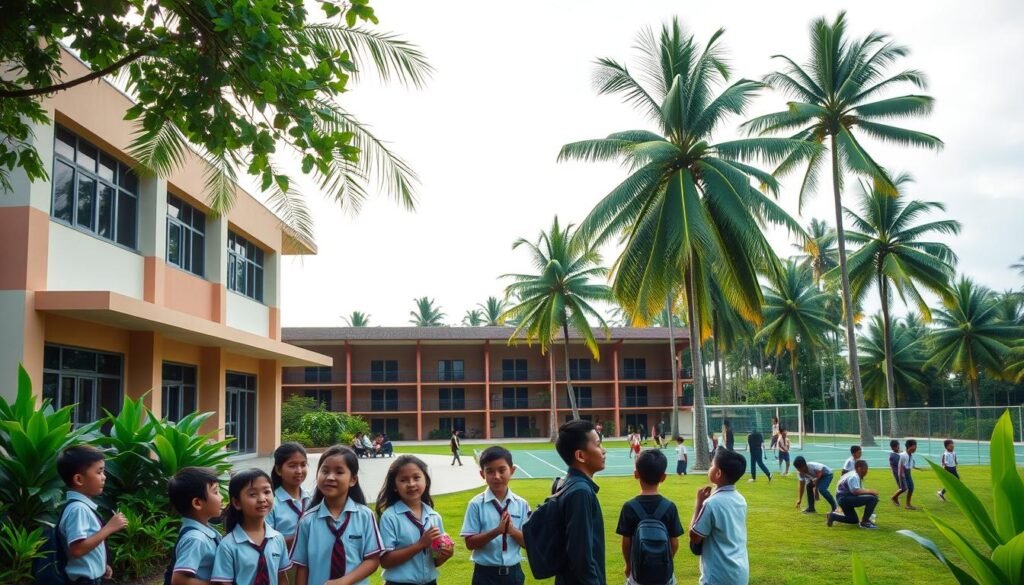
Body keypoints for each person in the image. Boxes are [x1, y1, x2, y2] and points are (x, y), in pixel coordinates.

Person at [292, 445, 382, 585]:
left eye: (339, 472)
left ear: (353, 480)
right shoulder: (307, 521)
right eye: (325, 471)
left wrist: (343, 582)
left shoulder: (365, 516)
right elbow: (302, 567)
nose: (330, 477)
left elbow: (372, 560)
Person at [376, 455, 455, 584]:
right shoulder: (390, 517)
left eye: (416, 478)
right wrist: (420, 545)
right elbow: (385, 561)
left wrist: (446, 554)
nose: (411, 484)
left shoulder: (434, 517)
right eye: (403, 480)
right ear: (395, 486)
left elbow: (434, 561)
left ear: (426, 481)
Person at [57, 444, 128, 585]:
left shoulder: (80, 508)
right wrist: (109, 528)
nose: (104, 477)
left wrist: (101, 566)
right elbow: (77, 549)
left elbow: (86, 548)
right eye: (99, 472)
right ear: (79, 479)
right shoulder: (78, 509)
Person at [460, 446, 530, 585]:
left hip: (513, 574)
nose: (496, 476)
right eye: (490, 471)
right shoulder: (476, 504)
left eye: (502, 470)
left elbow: (528, 543)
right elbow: (470, 543)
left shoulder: (521, 504)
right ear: (482, 474)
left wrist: (512, 531)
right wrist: (497, 531)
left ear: (512, 470)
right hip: (485, 575)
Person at [211, 469, 292, 585]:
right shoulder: (228, 546)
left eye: (267, 492)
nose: (262, 499)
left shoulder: (278, 539)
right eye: (253, 494)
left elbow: (282, 578)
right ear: (237, 503)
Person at [553, 419, 607, 585]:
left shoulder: (567, 484)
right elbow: (580, 555)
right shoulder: (580, 492)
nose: (603, 451)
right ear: (580, 455)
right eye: (598, 445)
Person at [617, 449, 683, 585]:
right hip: (664, 574)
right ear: (663, 477)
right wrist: (665, 561)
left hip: (638, 572)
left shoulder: (629, 507)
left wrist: (628, 564)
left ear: (636, 474)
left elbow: (626, 542)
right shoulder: (670, 507)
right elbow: (674, 542)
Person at [689, 448, 749, 585]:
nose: (709, 468)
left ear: (718, 473)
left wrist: (698, 504)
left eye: (711, 465)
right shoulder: (740, 499)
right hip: (739, 572)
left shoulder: (711, 503)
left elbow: (695, 536)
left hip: (718, 575)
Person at [167, 467, 223, 585]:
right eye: (216, 492)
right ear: (197, 503)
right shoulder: (196, 539)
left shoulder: (204, 529)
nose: (221, 497)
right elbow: (178, 580)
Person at [266, 442, 310, 551]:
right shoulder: (270, 503)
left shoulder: (311, 498)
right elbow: (265, 541)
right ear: (278, 470)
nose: (299, 471)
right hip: (283, 565)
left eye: (303, 465)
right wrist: (298, 539)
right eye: (292, 466)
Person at [827, 460, 879, 529]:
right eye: (865, 469)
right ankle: (865, 522)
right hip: (845, 498)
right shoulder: (854, 476)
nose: (866, 471)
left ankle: (833, 516)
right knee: (873, 498)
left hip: (844, 499)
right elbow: (855, 491)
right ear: (859, 468)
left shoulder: (854, 475)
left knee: (853, 520)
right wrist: (871, 492)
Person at [894, 439, 918, 510]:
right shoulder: (903, 455)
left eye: (916, 447)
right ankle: (894, 497)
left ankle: (908, 504)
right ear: (909, 446)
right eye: (914, 447)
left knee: (911, 488)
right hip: (903, 473)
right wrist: (901, 475)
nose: (915, 448)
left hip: (908, 473)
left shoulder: (910, 455)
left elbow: (909, 465)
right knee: (904, 488)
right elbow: (901, 466)